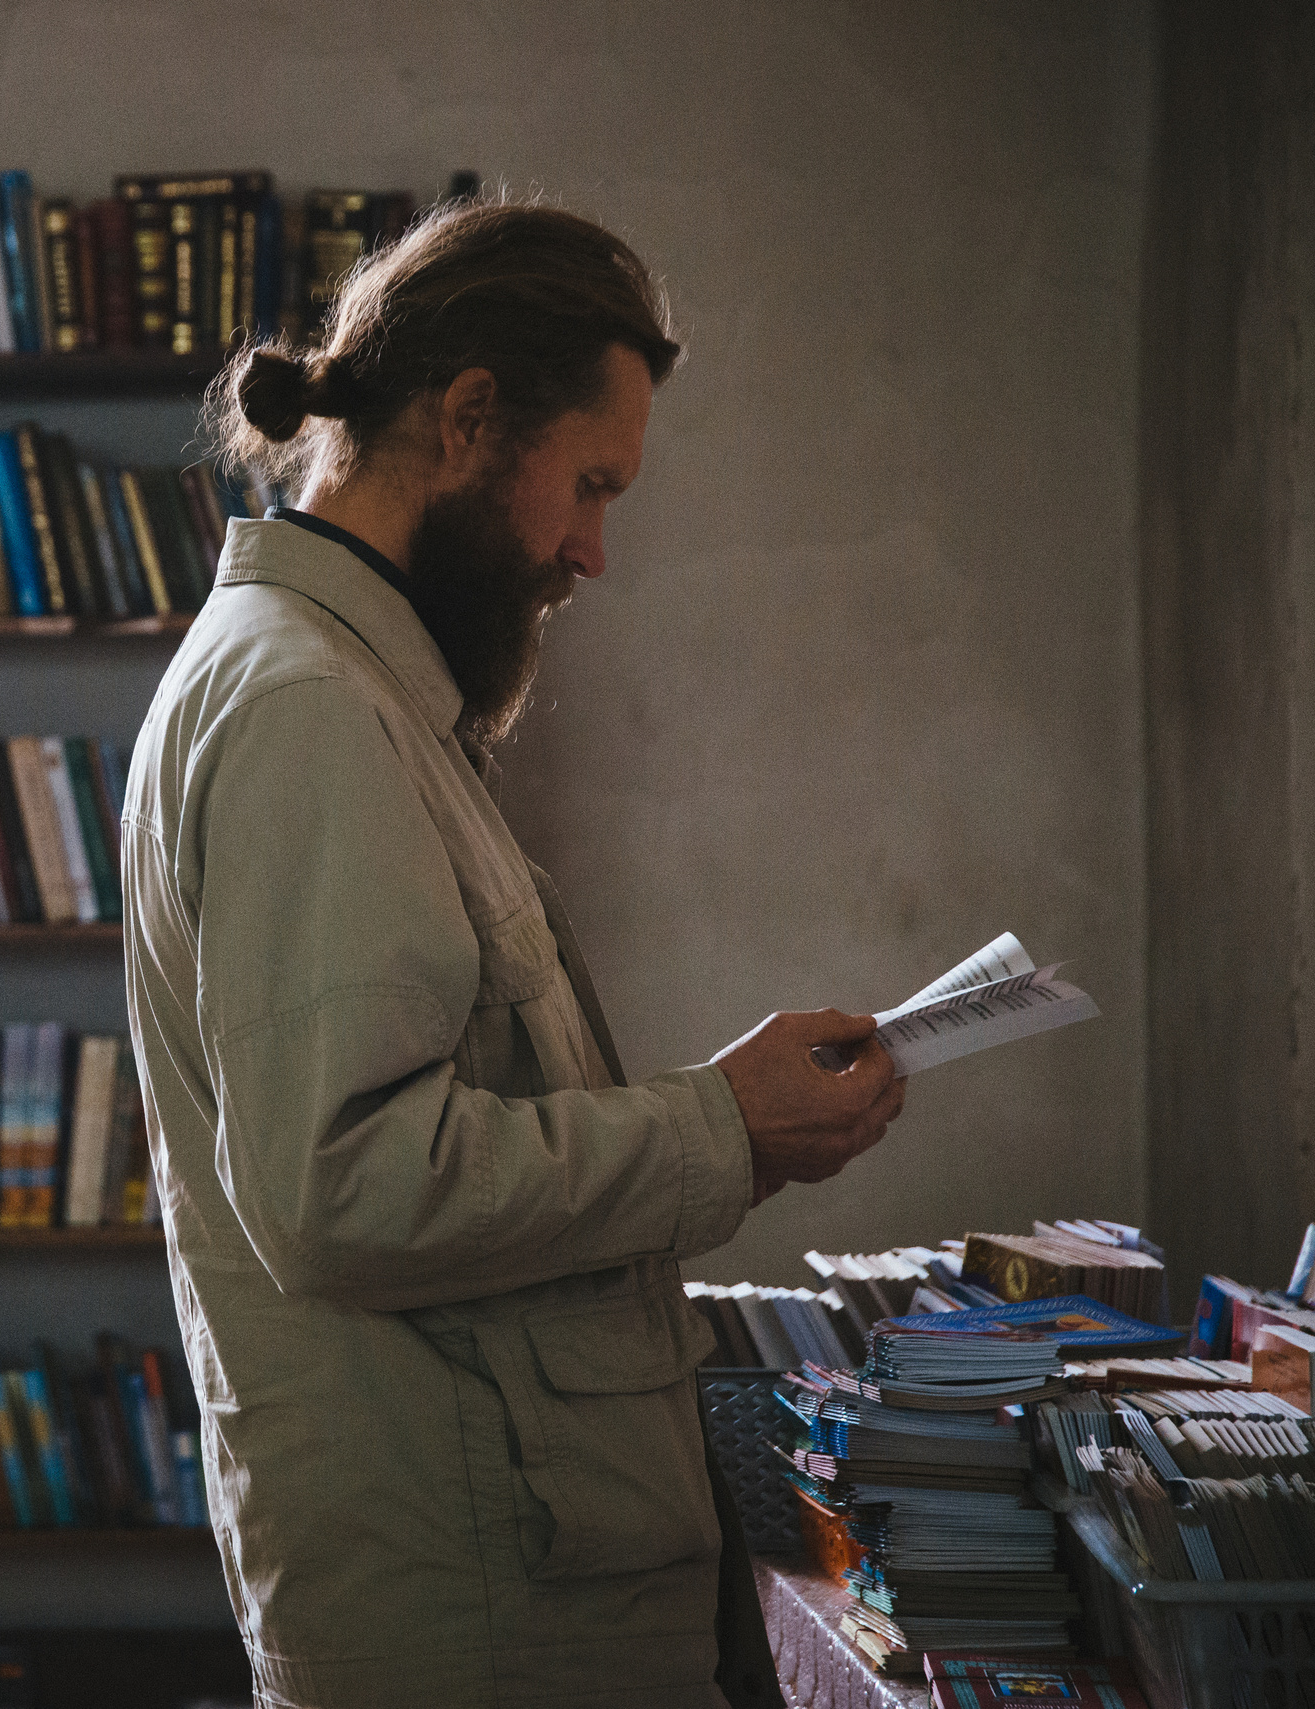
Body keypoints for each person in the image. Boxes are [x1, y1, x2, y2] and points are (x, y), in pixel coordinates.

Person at [120, 198, 908, 1709]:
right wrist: (717, 1124)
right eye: (590, 486)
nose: (592, 551)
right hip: (480, 1622)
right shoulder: (307, 707)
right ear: (470, 419)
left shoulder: (352, 688)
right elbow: (348, 1189)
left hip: (506, 1584)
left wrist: (734, 1131)